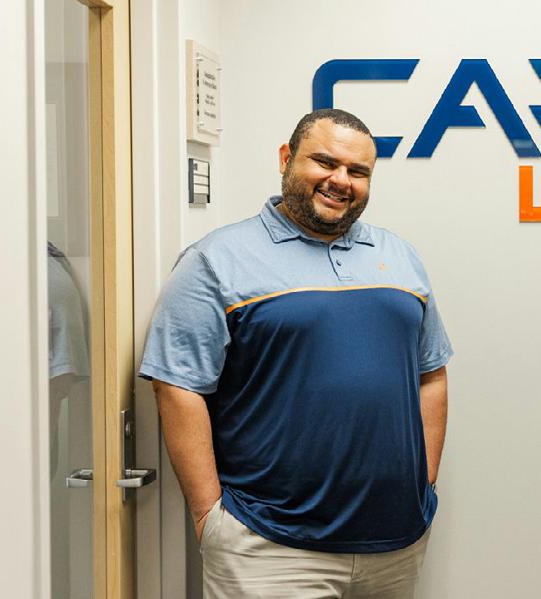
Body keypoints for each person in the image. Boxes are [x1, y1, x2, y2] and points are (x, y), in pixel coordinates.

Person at [140, 108, 452, 599]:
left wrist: (423, 483)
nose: (340, 180)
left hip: (394, 541)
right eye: (324, 162)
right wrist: (208, 516)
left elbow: (431, 373)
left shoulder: (400, 257)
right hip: (269, 545)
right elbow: (178, 385)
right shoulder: (217, 259)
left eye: (358, 171)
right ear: (286, 158)